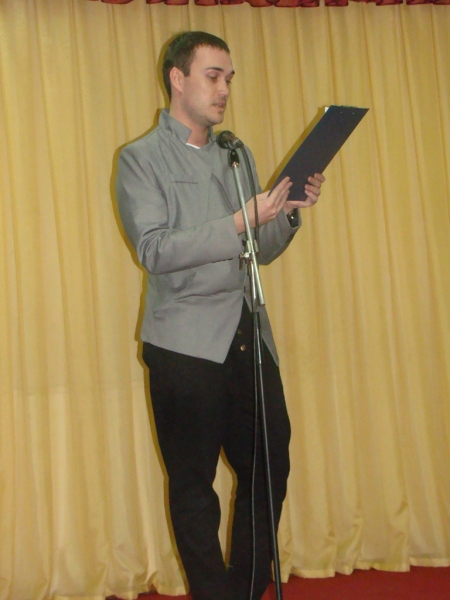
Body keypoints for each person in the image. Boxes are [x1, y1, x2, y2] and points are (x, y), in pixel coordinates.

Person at [116, 31, 324, 600]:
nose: (224, 88)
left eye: (229, 78)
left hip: (248, 335)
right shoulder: (140, 158)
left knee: (270, 469)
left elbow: (259, 248)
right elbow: (155, 250)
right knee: (193, 488)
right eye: (213, 76)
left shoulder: (236, 154)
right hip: (184, 346)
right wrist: (239, 220)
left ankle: (245, 590)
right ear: (177, 79)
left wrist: (287, 213)